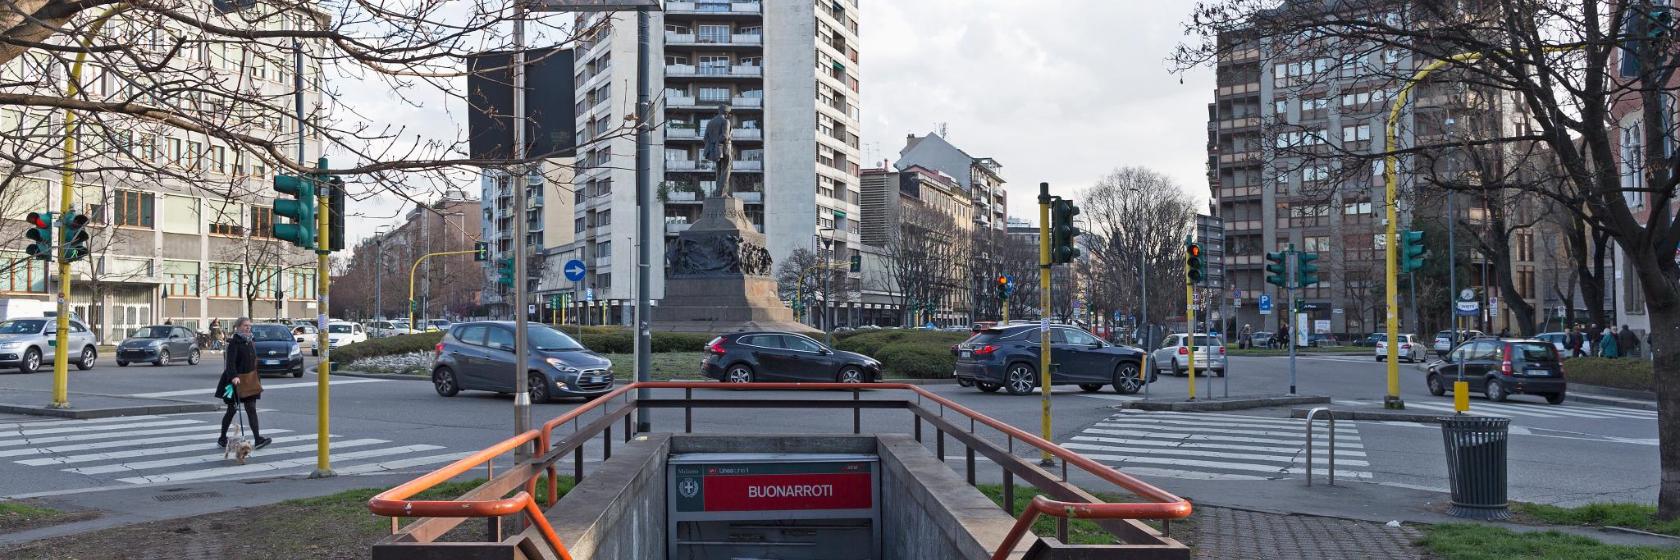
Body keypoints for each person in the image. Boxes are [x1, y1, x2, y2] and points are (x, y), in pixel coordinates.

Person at [215, 317, 270, 450]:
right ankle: (222, 438)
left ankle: (258, 439)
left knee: (251, 409)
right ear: (238, 327)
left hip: (249, 380)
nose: (248, 328)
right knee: (231, 410)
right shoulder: (234, 343)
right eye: (245, 325)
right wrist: (233, 376)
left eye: (249, 326)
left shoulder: (250, 341)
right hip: (233, 382)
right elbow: (230, 363)